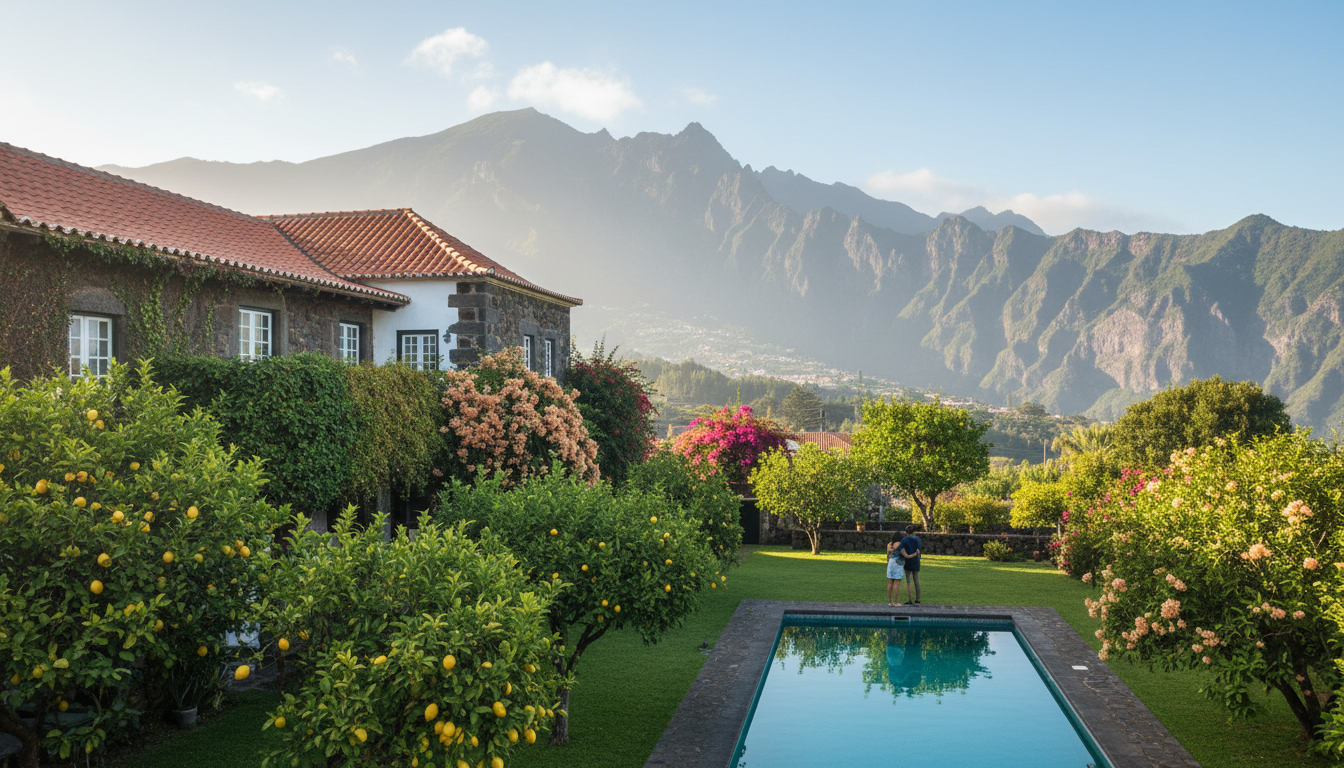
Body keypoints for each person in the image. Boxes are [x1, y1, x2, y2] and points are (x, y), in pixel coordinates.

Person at [899, 524, 922, 605]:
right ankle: (917, 600)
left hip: (907, 561)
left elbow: (901, 550)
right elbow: (919, 548)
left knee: (908, 580)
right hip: (916, 560)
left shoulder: (904, 540)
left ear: (906, 532)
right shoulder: (918, 539)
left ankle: (909, 599)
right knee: (916, 579)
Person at [885, 532, 906, 606]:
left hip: (891, 562)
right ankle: (895, 602)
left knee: (890, 581)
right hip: (897, 563)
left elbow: (888, 554)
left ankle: (890, 602)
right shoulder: (899, 543)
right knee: (897, 582)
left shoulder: (889, 544)